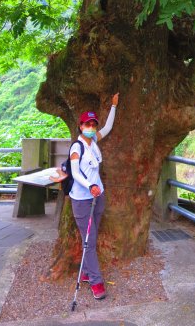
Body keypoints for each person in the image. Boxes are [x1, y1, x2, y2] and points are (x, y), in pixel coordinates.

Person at [69, 92, 119, 300]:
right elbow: (74, 171)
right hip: (82, 201)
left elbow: (107, 128)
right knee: (89, 240)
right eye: (87, 124)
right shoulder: (77, 146)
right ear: (81, 126)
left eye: (93, 124)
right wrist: (90, 185)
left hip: (99, 197)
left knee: (92, 237)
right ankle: (96, 281)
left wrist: (114, 106)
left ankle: (87, 272)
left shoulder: (94, 141)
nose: (91, 127)